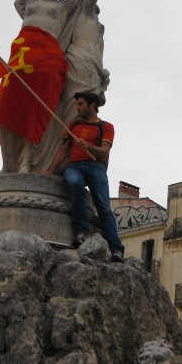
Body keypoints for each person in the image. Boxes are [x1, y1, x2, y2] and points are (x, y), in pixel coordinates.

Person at [0, 0, 102, 173]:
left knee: (37, 110)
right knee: (5, 108)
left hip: (48, 59)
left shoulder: (64, 6)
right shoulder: (30, 1)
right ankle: (8, 164)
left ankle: (26, 161)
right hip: (21, 56)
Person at [41, 91, 125, 261]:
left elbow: (104, 152)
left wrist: (88, 146)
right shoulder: (73, 125)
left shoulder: (106, 127)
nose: (77, 108)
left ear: (92, 105)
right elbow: (63, 150)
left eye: (80, 104)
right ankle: (82, 232)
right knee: (75, 183)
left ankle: (116, 249)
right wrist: (49, 170)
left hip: (96, 167)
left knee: (103, 207)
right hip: (75, 167)